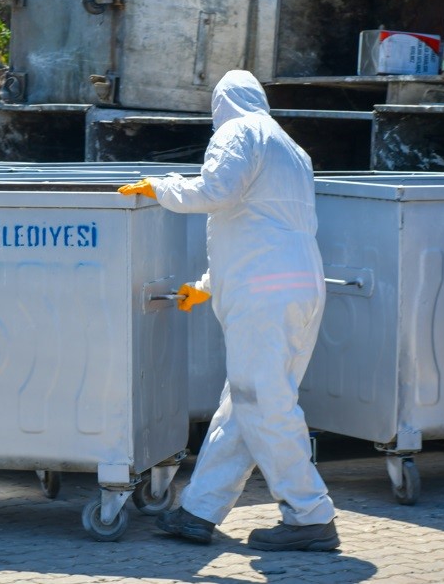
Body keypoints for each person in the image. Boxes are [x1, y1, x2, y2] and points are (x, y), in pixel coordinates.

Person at [117, 69, 338, 552]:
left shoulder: (239, 132)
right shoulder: (290, 148)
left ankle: (310, 514)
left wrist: (161, 187)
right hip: (298, 287)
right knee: (245, 406)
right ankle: (199, 512)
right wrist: (206, 288)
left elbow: (216, 194)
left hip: (266, 294)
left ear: (222, 104)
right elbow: (258, 228)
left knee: (264, 404)